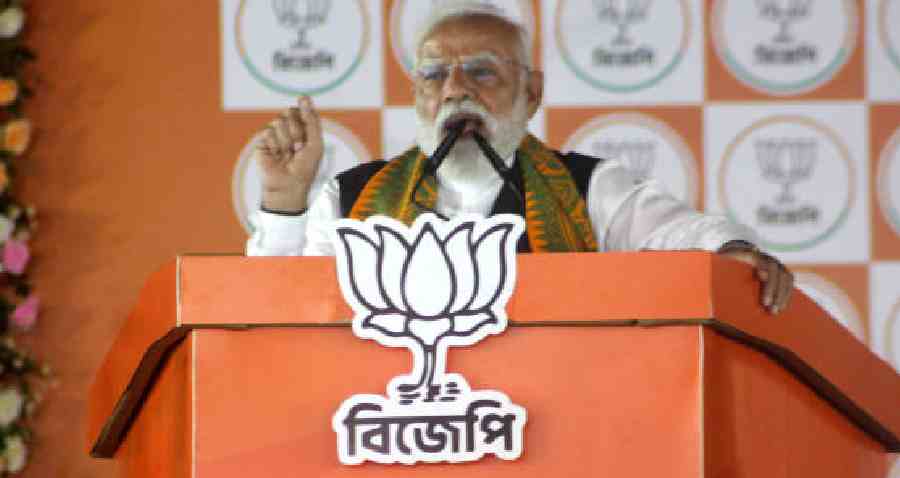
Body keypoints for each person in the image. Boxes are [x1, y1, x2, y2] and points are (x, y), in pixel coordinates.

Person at [246, 1, 793, 313]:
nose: (455, 90)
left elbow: (682, 235)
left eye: (482, 72)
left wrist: (734, 253)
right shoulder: (351, 198)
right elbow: (276, 319)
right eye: (434, 75)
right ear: (417, 95)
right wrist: (283, 203)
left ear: (532, 93)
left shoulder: (587, 189)